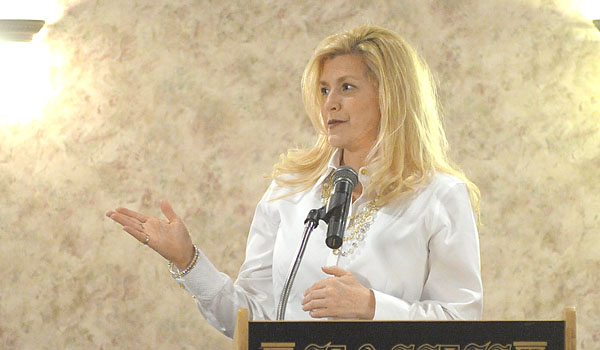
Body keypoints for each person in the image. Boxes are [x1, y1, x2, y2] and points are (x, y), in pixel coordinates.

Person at [106, 25, 483, 338]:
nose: (329, 104)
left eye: (346, 87)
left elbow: (461, 323)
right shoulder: (289, 190)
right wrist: (188, 261)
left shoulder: (439, 196)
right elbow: (250, 321)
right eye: (323, 90)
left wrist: (372, 307)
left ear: (390, 95)